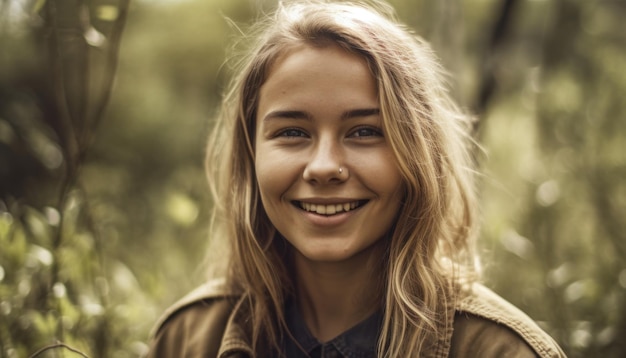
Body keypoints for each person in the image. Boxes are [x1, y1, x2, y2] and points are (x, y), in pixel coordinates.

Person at [146, 1, 566, 357]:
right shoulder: (187, 339)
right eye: (292, 132)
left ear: (417, 156)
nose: (324, 167)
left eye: (365, 131)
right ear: (250, 154)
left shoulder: (500, 350)